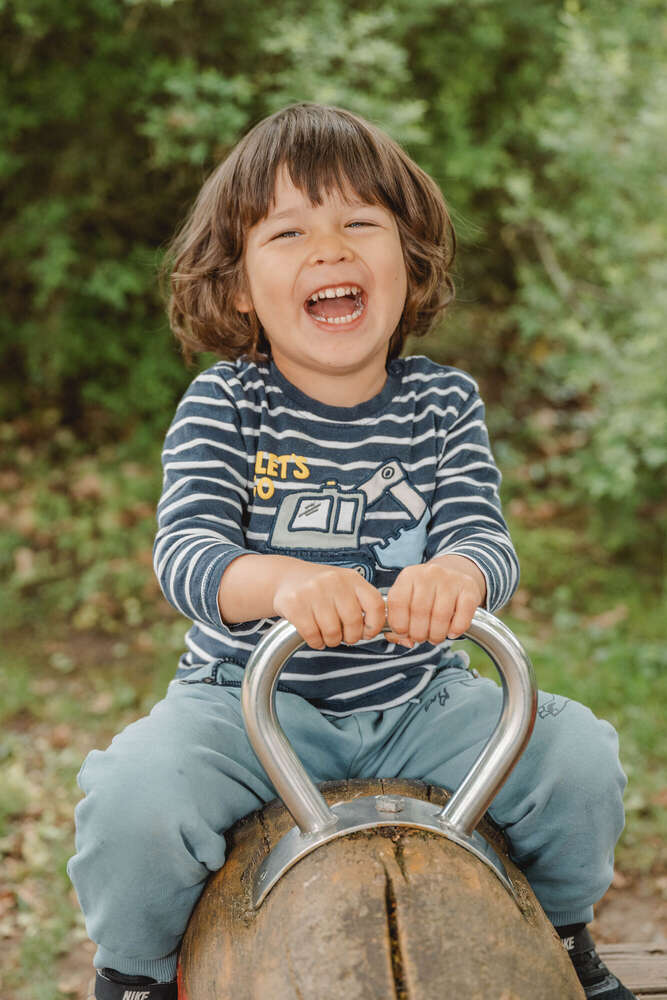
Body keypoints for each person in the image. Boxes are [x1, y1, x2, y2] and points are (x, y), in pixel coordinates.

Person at [68, 103, 634, 1000]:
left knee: (575, 757)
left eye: (359, 224)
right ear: (242, 286)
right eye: (289, 232)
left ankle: (561, 939)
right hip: (247, 705)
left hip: (417, 695)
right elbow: (186, 553)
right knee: (136, 797)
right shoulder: (228, 404)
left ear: (407, 266)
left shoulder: (442, 405)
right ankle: (132, 977)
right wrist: (287, 581)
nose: (328, 249)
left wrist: (456, 574)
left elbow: (482, 538)